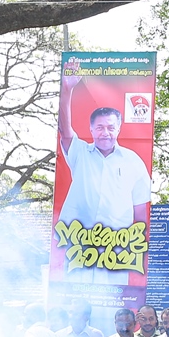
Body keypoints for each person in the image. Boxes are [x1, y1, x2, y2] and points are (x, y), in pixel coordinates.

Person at [56, 76, 152, 239]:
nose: (105, 133)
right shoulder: (80, 153)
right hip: (75, 242)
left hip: (117, 248)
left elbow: (141, 210)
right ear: (91, 129)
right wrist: (66, 90)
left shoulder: (133, 161)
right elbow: (64, 129)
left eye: (110, 128)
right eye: (100, 127)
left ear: (118, 129)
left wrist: (140, 249)